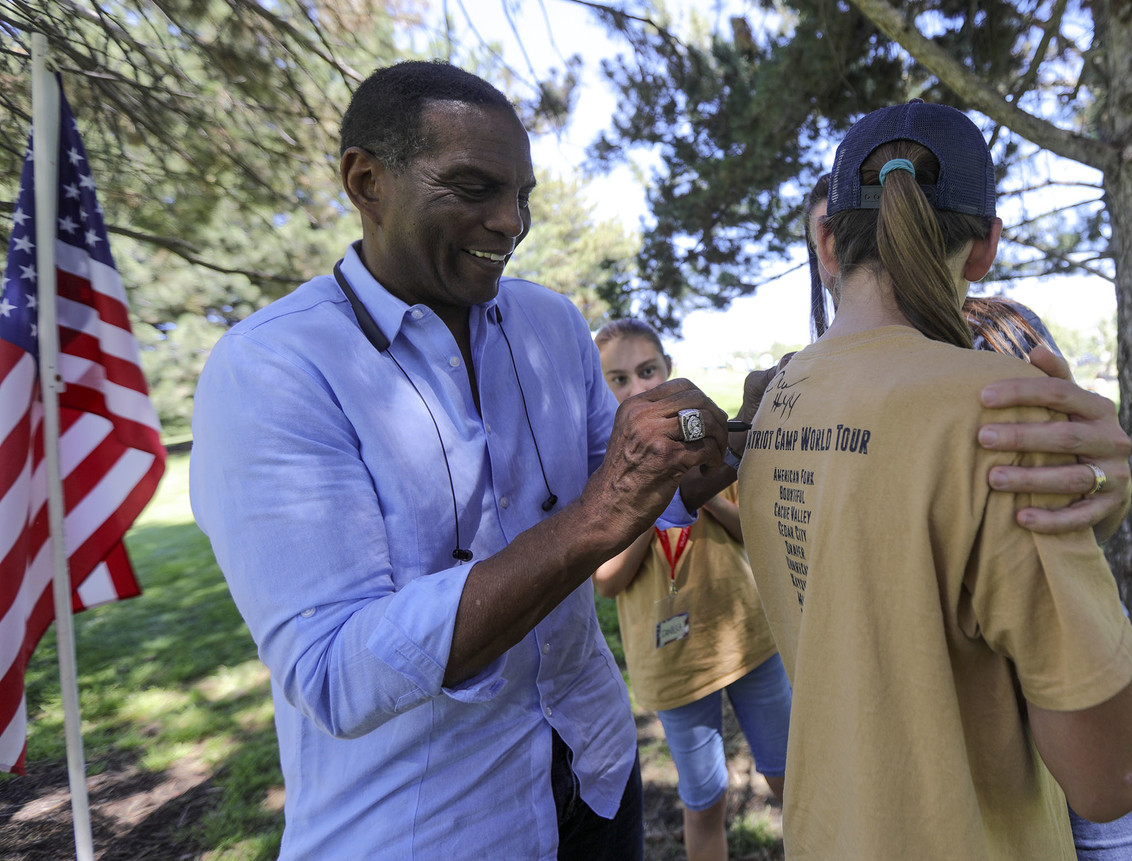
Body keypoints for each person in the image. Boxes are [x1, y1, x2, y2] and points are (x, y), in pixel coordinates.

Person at [189, 61, 738, 860]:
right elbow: (334, 671)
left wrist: (704, 453)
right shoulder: (270, 369)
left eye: (523, 196)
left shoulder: (550, 321)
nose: (511, 222)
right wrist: (596, 518)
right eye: (474, 186)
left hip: (598, 771)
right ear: (366, 180)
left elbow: (625, 479)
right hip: (435, 828)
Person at [738, 101, 1132, 858]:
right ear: (985, 246)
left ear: (829, 240)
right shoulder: (1001, 414)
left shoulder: (774, 401)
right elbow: (1114, 777)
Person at [809, 171, 1132, 860]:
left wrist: (1101, 484)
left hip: (1068, 651)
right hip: (939, 712)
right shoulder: (801, 386)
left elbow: (1068, 487)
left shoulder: (1005, 332)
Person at [593, 319, 792, 861]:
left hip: (748, 641)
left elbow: (753, 532)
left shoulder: (699, 444)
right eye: (617, 378)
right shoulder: (600, 470)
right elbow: (606, 580)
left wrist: (704, 493)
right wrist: (652, 506)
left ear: (668, 371)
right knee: (703, 799)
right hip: (674, 664)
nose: (636, 387)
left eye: (648, 370)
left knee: (795, 779)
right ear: (596, 384)